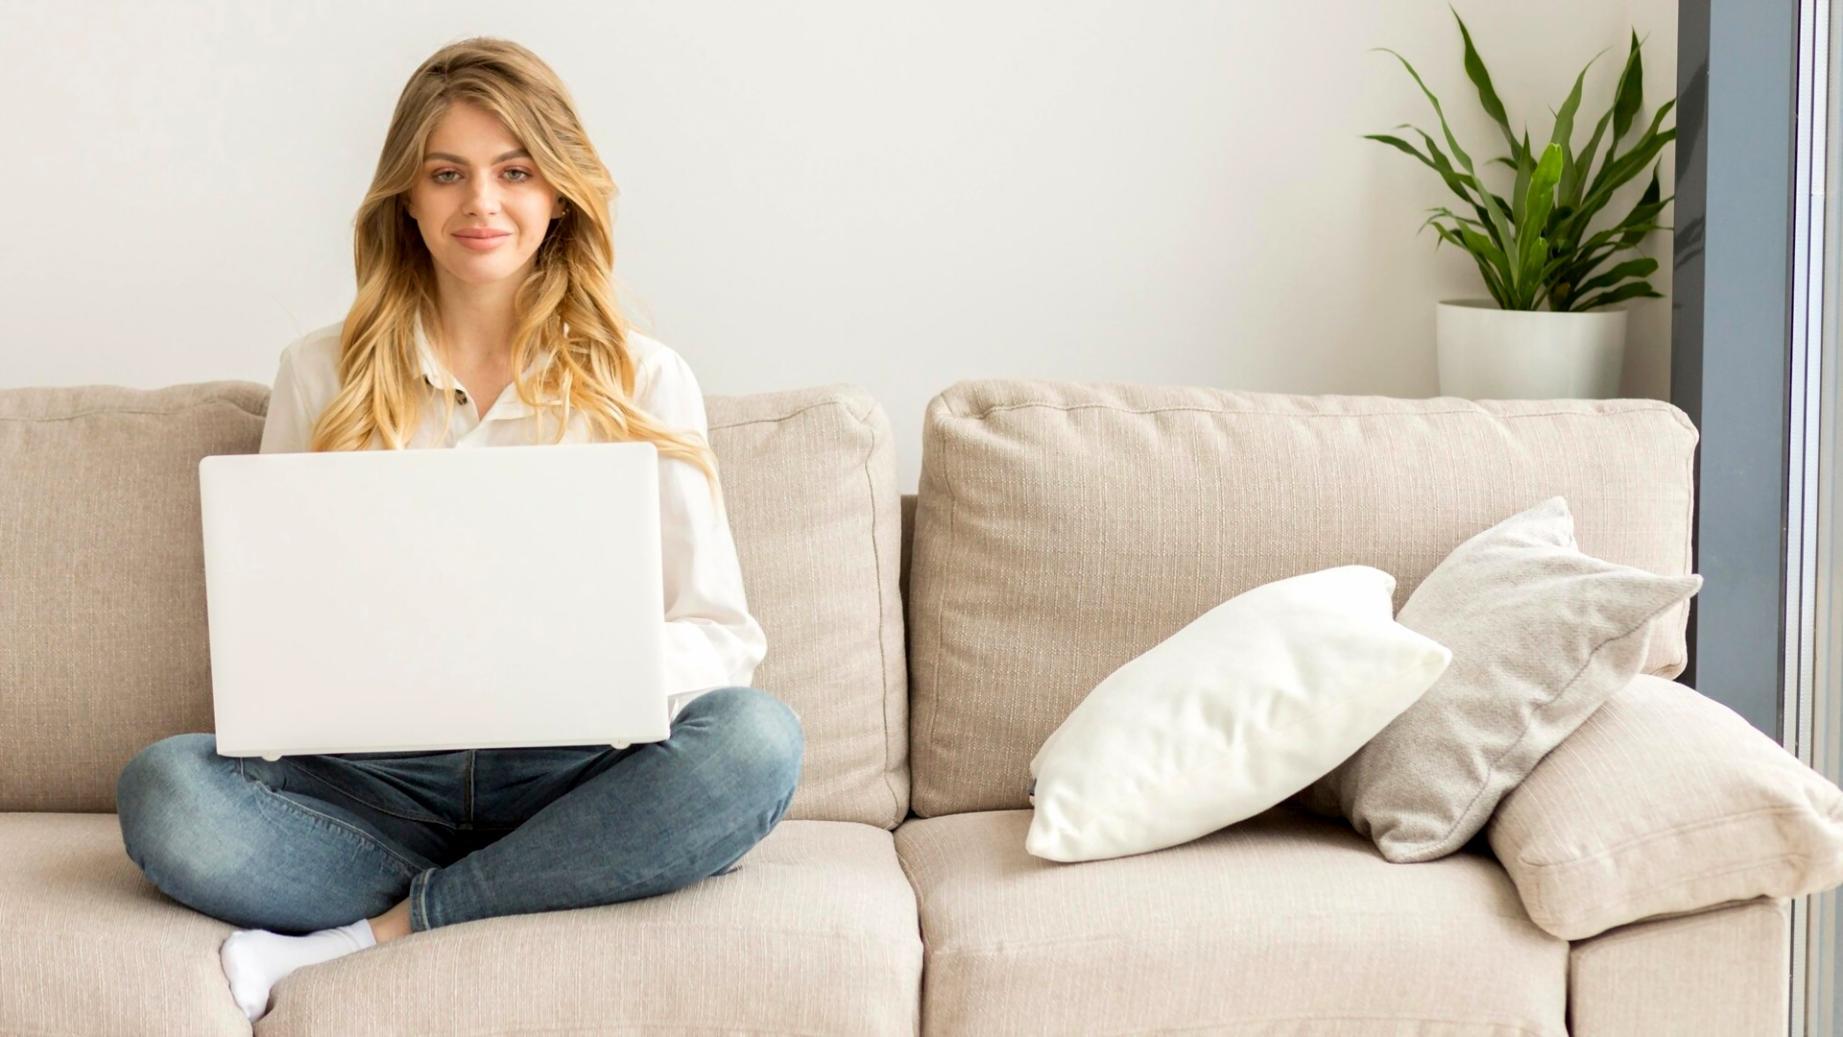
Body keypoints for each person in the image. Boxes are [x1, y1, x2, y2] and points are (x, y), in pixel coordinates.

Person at [112, 37, 802, 1024]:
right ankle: (542, 876)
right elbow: (279, 633)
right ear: (407, 196)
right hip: (375, 791)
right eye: (447, 174)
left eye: (514, 172)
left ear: (558, 192)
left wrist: (581, 666)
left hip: (573, 773)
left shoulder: (644, 378)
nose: (482, 203)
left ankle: (381, 930)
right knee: (165, 788)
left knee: (757, 742)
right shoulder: (319, 372)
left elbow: (721, 635)